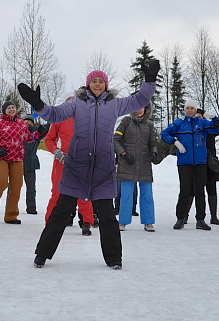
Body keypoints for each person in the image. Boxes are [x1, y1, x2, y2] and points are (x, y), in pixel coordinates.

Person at [19, 60, 160, 269]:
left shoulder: (115, 103)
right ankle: (42, 254)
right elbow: (55, 114)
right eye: (93, 81)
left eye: (100, 81)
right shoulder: (77, 102)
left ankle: (114, 259)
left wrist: (149, 81)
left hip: (102, 166)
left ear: (105, 85)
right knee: (61, 211)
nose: (97, 84)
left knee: (106, 215)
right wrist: (39, 106)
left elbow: (141, 99)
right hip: (77, 164)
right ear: (87, 84)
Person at [161, 99, 219, 231]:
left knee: (200, 191)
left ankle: (200, 220)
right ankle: (180, 218)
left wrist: (213, 117)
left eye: (192, 108)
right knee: (185, 190)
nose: (190, 110)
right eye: (187, 108)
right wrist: (175, 142)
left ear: (196, 110)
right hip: (184, 163)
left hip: (200, 162)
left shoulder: (202, 123)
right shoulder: (179, 124)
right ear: (185, 110)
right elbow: (164, 134)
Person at [0, 101, 43, 224]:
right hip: (1, 157)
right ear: (4, 110)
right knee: (2, 183)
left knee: (16, 186)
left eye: (13, 107)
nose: (11, 109)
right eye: (9, 108)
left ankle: (11, 215)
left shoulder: (21, 123)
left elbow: (28, 138)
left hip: (17, 159)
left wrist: (38, 133)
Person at [44, 92, 95, 236]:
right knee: (57, 193)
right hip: (62, 161)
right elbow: (49, 140)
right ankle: (50, 222)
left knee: (83, 193)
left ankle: (86, 222)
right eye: (68, 101)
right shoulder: (58, 119)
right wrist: (57, 152)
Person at [114, 102, 159, 232]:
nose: (139, 110)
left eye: (142, 107)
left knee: (147, 195)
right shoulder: (126, 121)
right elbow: (116, 139)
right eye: (137, 107)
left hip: (144, 164)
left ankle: (148, 222)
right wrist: (123, 153)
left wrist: (154, 152)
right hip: (128, 163)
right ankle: (123, 222)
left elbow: (152, 142)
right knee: (126, 195)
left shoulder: (149, 125)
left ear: (146, 109)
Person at [22, 114, 49, 215]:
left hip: (30, 162)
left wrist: (47, 113)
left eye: (31, 121)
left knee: (31, 187)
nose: (29, 122)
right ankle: (10, 207)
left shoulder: (36, 131)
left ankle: (31, 208)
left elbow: (49, 126)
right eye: (27, 120)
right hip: (17, 161)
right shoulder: (17, 129)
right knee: (13, 187)